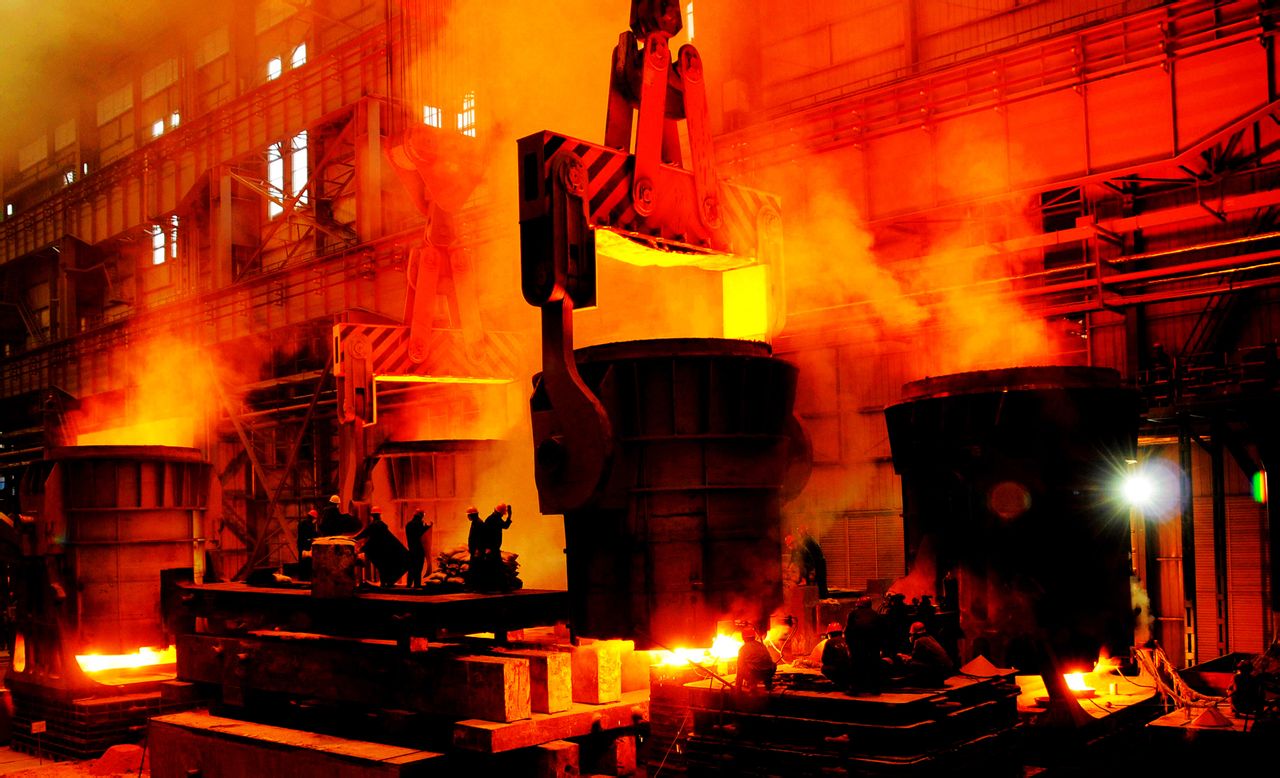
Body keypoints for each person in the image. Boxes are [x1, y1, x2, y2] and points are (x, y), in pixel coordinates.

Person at [354, 507, 409, 588]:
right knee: (385, 566)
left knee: (382, 566)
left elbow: (365, 535)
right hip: (386, 550)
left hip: (379, 551)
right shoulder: (381, 526)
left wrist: (355, 540)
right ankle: (388, 582)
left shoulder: (373, 526)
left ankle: (384, 583)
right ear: (380, 515)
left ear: (372, 516)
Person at [846, 596, 886, 694]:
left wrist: (849, 645)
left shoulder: (853, 614)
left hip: (857, 645)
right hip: (873, 645)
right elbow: (882, 632)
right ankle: (875, 689)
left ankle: (855, 689)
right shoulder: (876, 615)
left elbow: (848, 631)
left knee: (856, 666)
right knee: (874, 666)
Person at [894, 621, 954, 687]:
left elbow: (913, 658)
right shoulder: (929, 637)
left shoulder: (919, 641)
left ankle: (918, 681)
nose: (910, 636)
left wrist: (902, 657)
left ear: (915, 634)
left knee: (910, 663)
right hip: (947, 669)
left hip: (940, 670)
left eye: (911, 634)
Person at [736, 624, 777, 692]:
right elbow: (769, 660)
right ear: (754, 636)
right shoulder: (761, 645)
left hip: (756, 674)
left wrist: (738, 687)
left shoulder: (743, 649)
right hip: (769, 672)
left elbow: (740, 667)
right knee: (768, 664)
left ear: (743, 638)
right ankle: (768, 685)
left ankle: (752, 686)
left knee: (744, 666)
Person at [404, 509, 429, 588]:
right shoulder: (420, 524)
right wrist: (427, 527)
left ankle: (409, 584)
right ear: (421, 516)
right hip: (419, 550)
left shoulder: (408, 525)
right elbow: (423, 534)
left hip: (411, 549)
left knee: (411, 567)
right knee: (418, 568)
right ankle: (417, 584)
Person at [296, 508, 319, 579]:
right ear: (313, 518)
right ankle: (306, 576)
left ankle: (301, 576)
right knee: (307, 561)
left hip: (300, 544)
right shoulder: (310, 525)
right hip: (307, 545)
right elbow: (313, 534)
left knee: (301, 560)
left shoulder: (301, 523)